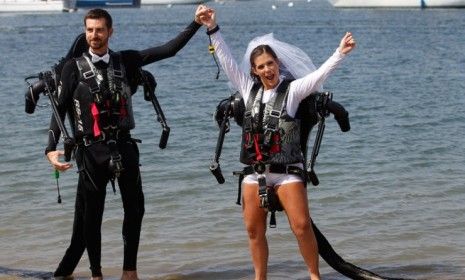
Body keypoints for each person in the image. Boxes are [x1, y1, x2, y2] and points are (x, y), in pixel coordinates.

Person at [45, 8, 206, 280]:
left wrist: (196, 23)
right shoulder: (72, 68)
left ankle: (129, 272)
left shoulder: (127, 60)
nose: (94, 35)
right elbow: (59, 110)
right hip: (90, 152)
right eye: (90, 30)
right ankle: (96, 274)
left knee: (135, 210)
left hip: (124, 147)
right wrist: (50, 149)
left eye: (99, 30)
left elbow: (168, 50)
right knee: (91, 217)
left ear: (110, 31)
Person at [196, 5, 355, 280]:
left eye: (271, 63)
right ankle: (261, 277)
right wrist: (212, 28)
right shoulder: (247, 89)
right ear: (254, 71)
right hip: (254, 174)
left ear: (278, 64)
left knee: (302, 226)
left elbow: (319, 76)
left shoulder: (292, 92)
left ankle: (314, 276)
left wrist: (339, 52)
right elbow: (226, 61)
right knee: (253, 231)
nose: (267, 69)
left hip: (287, 172)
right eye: (261, 66)